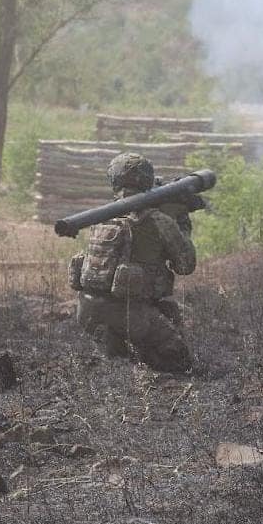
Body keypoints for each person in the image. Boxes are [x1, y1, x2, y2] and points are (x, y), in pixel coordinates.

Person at [70, 152, 196, 372]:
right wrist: (182, 221)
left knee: (121, 366)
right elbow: (186, 265)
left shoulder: (101, 216)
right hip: (131, 315)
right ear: (146, 179)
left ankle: (117, 355)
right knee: (181, 364)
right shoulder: (159, 220)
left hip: (88, 312)